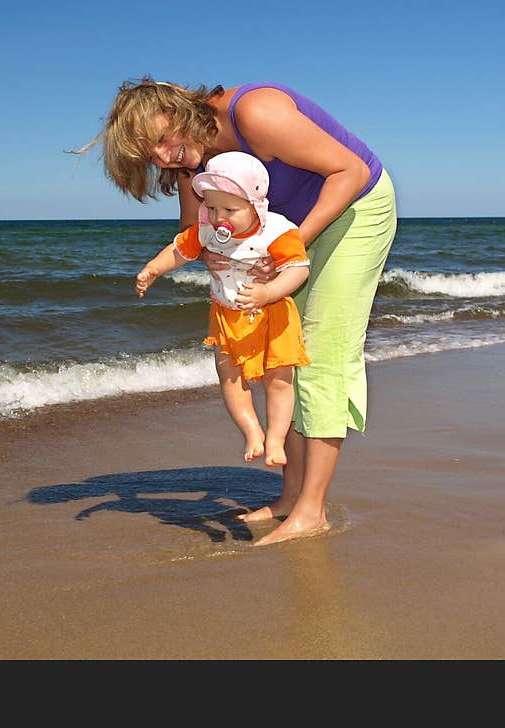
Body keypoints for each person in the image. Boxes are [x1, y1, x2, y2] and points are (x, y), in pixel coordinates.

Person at [97, 77, 398, 546]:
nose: (160, 157)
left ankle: (311, 511)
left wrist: (289, 249)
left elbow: (351, 173)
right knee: (281, 354)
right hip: (285, 233)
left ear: (176, 110)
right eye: (147, 155)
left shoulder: (254, 112)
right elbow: (196, 235)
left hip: (353, 207)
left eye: (160, 141)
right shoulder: (189, 160)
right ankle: (290, 495)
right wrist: (209, 259)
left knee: (317, 354)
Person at [135, 151, 310, 468]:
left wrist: (269, 291)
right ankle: (252, 431)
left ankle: (276, 439)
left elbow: (299, 269)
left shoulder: (277, 230)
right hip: (227, 316)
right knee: (229, 378)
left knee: (280, 379)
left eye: (229, 209)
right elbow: (178, 251)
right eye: (212, 207)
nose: (219, 217)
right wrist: (153, 269)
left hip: (273, 314)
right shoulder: (206, 230)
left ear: (255, 205)